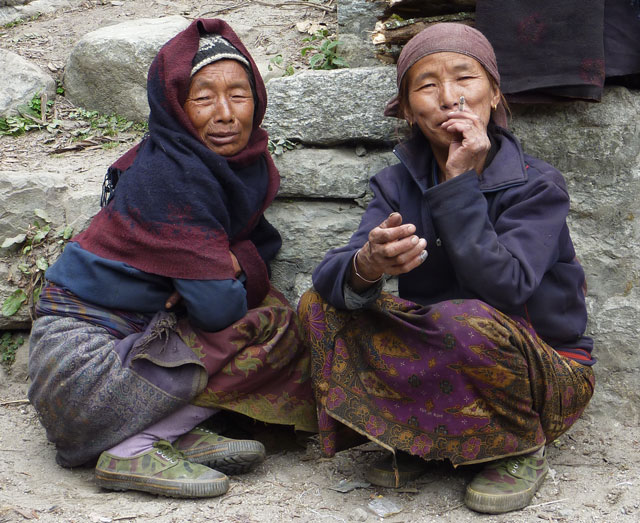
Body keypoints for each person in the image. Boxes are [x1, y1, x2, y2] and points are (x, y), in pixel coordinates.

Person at [298, 23, 595, 515]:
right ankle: (427, 439)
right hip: (446, 357)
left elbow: (505, 287)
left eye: (465, 78)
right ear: (410, 110)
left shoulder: (537, 185)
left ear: (494, 94)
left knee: (462, 317)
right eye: (427, 85)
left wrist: (459, 183)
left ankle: (520, 447)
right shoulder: (399, 184)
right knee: (322, 305)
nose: (449, 97)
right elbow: (332, 277)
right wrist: (366, 266)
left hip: (547, 371)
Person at [28, 19, 316, 499]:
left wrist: (232, 261)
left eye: (239, 95)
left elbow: (251, 254)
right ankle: (136, 445)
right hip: (82, 377)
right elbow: (219, 310)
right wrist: (218, 272)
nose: (225, 114)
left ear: (258, 99)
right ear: (175, 107)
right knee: (272, 322)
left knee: (268, 306)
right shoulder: (172, 176)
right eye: (203, 98)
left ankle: (169, 431)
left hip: (108, 372)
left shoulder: (231, 168)